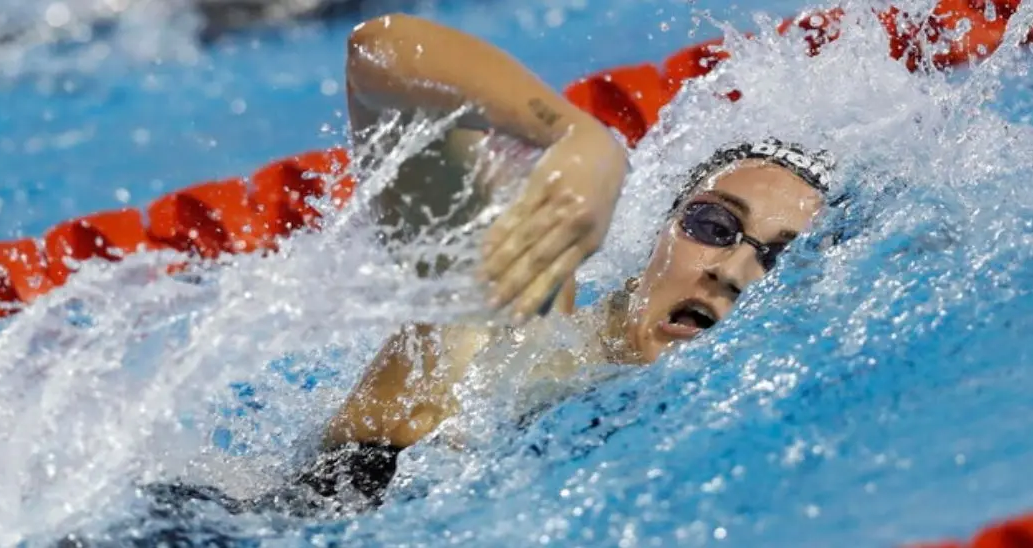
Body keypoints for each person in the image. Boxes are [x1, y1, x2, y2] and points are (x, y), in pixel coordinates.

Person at [134, 12, 836, 528]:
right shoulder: (525, 308)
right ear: (660, 233)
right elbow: (381, 49)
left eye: (776, 257)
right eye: (714, 227)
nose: (732, 270)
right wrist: (576, 140)